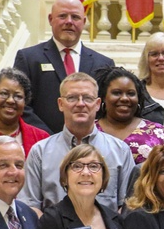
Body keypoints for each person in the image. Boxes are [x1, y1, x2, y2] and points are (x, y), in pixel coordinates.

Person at [20, 72, 135, 219]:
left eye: (87, 98)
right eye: (72, 98)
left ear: (98, 104)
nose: (80, 104)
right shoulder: (40, 152)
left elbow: (128, 206)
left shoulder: (120, 151)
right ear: (60, 104)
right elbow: (30, 206)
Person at [15, 0, 115, 134]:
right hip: (42, 144)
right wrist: (47, 139)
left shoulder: (104, 64)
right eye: (62, 16)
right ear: (50, 19)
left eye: (75, 17)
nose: (69, 22)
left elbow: (107, 109)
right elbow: (21, 104)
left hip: (90, 147)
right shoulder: (29, 58)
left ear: (84, 21)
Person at [95, 66, 164, 164]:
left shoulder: (158, 132)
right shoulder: (89, 131)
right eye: (117, 93)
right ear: (103, 98)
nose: (124, 98)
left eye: (131, 93)